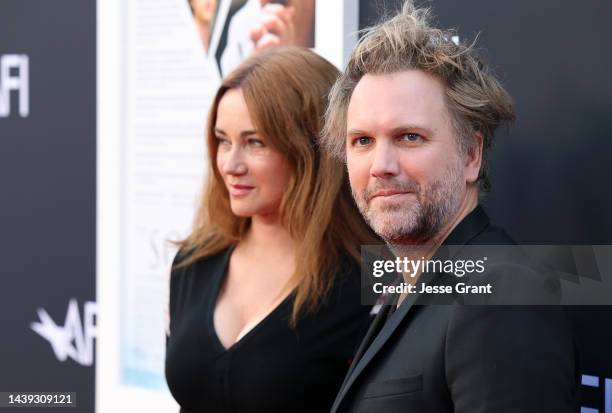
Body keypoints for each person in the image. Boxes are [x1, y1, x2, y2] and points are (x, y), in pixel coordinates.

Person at [321, 2, 580, 412]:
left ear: (471, 155)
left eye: (409, 137)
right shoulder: (404, 283)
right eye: (363, 142)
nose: (381, 167)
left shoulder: (501, 295)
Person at [165, 47, 377, 413]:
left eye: (254, 143)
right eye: (223, 140)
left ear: (310, 149)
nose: (231, 164)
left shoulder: (368, 278)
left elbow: (504, 278)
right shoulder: (194, 262)